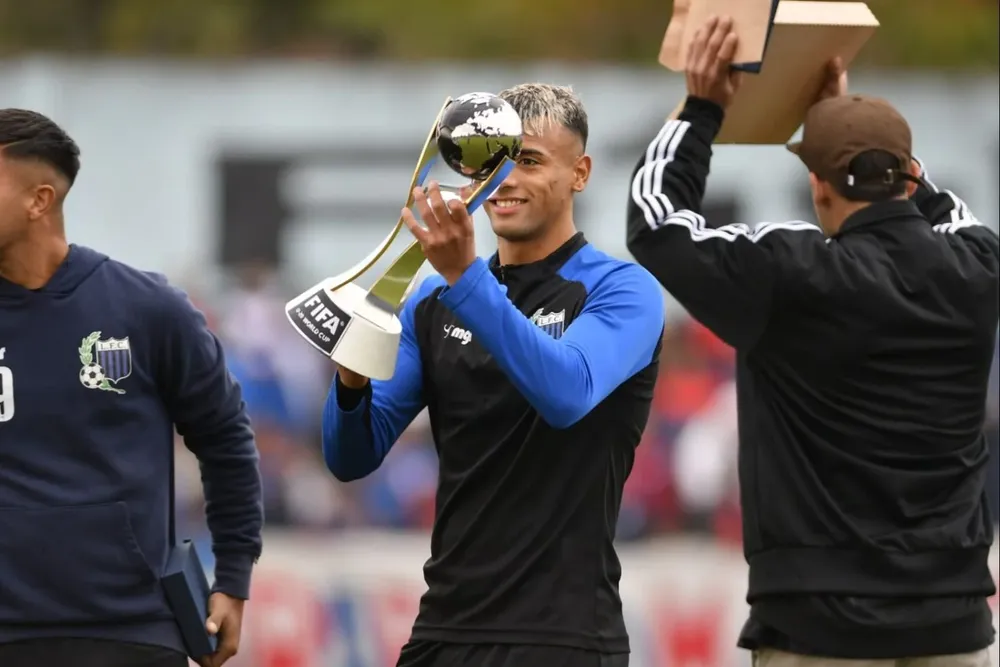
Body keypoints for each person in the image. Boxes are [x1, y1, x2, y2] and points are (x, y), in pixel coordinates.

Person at [625, 16, 998, 667]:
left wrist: (702, 105)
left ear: (816, 184)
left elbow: (655, 219)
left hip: (818, 623)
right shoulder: (977, 265)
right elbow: (941, 207)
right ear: (909, 176)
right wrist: (857, 129)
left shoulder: (790, 272)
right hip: (954, 620)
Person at [323, 83, 665, 667]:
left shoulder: (621, 290)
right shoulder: (433, 300)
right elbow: (350, 456)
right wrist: (352, 374)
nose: (504, 181)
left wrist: (466, 280)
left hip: (563, 637)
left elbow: (566, 392)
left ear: (579, 173)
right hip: (444, 632)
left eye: (529, 161)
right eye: (493, 163)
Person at [0, 109, 263, 667]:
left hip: (130, 629)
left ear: (39, 201)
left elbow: (226, 440)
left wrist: (233, 577)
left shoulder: (146, 309)